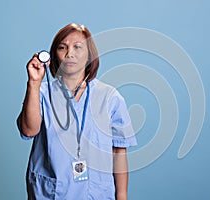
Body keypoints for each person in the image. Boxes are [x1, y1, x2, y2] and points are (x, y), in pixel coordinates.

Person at [17, 23, 137, 199]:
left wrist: (122, 197)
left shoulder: (110, 97)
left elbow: (119, 152)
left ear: (89, 55)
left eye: (77, 47)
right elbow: (28, 130)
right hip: (52, 192)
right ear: (54, 56)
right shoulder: (41, 93)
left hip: (97, 192)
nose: (69, 53)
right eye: (62, 47)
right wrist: (33, 83)